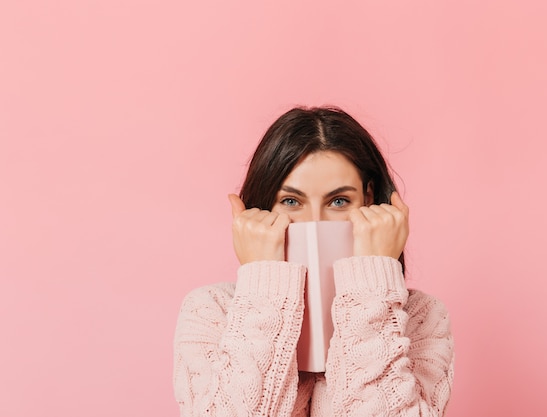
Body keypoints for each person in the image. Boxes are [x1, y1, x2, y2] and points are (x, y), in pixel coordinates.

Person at [173, 106, 454, 416]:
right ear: (263, 208)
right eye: (291, 201)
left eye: (339, 201)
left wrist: (373, 286)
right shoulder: (211, 311)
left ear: (369, 201)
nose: (315, 222)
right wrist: (264, 284)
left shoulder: (421, 317)